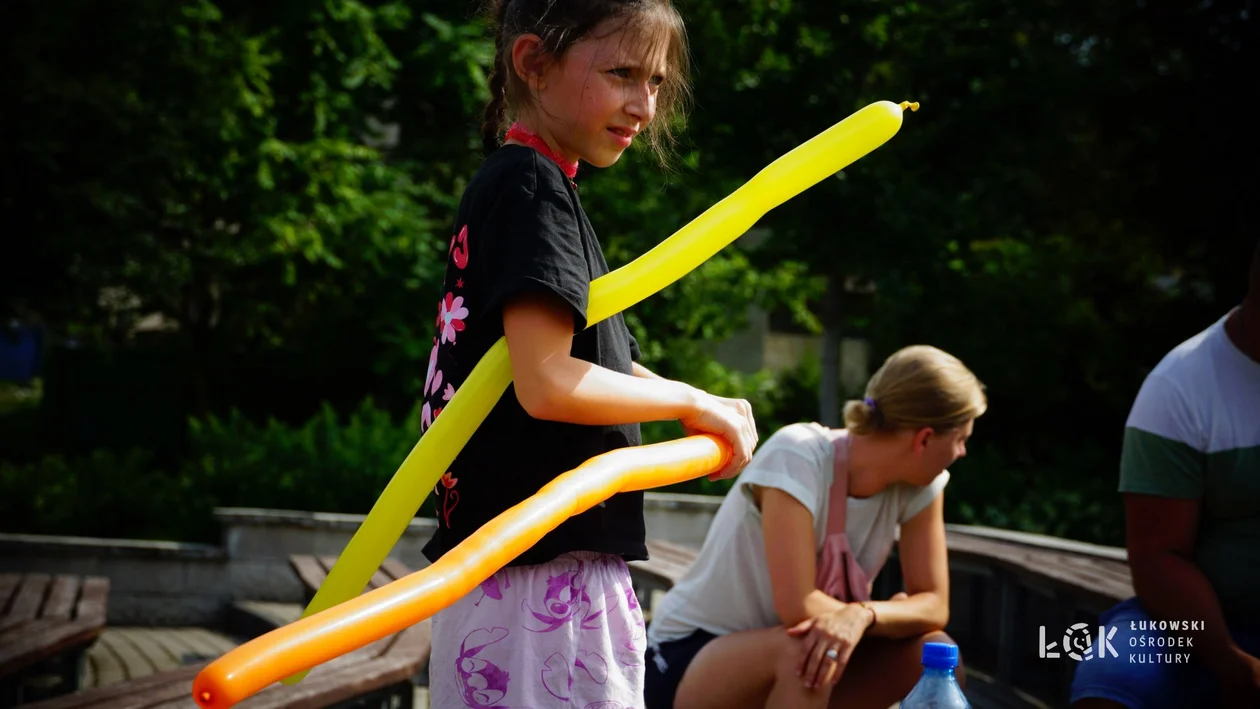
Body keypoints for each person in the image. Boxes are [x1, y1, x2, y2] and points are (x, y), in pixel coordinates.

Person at [416, 1, 760, 706]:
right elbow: (548, 382)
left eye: (658, 82)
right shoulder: (530, 189)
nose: (644, 104)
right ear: (534, 64)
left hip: (517, 562)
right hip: (537, 570)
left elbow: (589, 367)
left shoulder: (530, 185)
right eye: (623, 73)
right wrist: (695, 402)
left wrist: (707, 406)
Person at [644, 345, 987, 709]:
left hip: (811, 652)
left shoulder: (924, 485)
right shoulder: (798, 454)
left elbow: (934, 606)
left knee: (934, 655)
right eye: (960, 439)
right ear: (925, 439)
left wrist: (864, 613)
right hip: (689, 654)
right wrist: (891, 615)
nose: (962, 452)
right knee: (806, 655)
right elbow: (799, 606)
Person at [1070, 240, 1260, 708]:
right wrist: (1229, 660)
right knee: (1113, 678)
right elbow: (1159, 555)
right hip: (1202, 624)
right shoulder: (1182, 385)